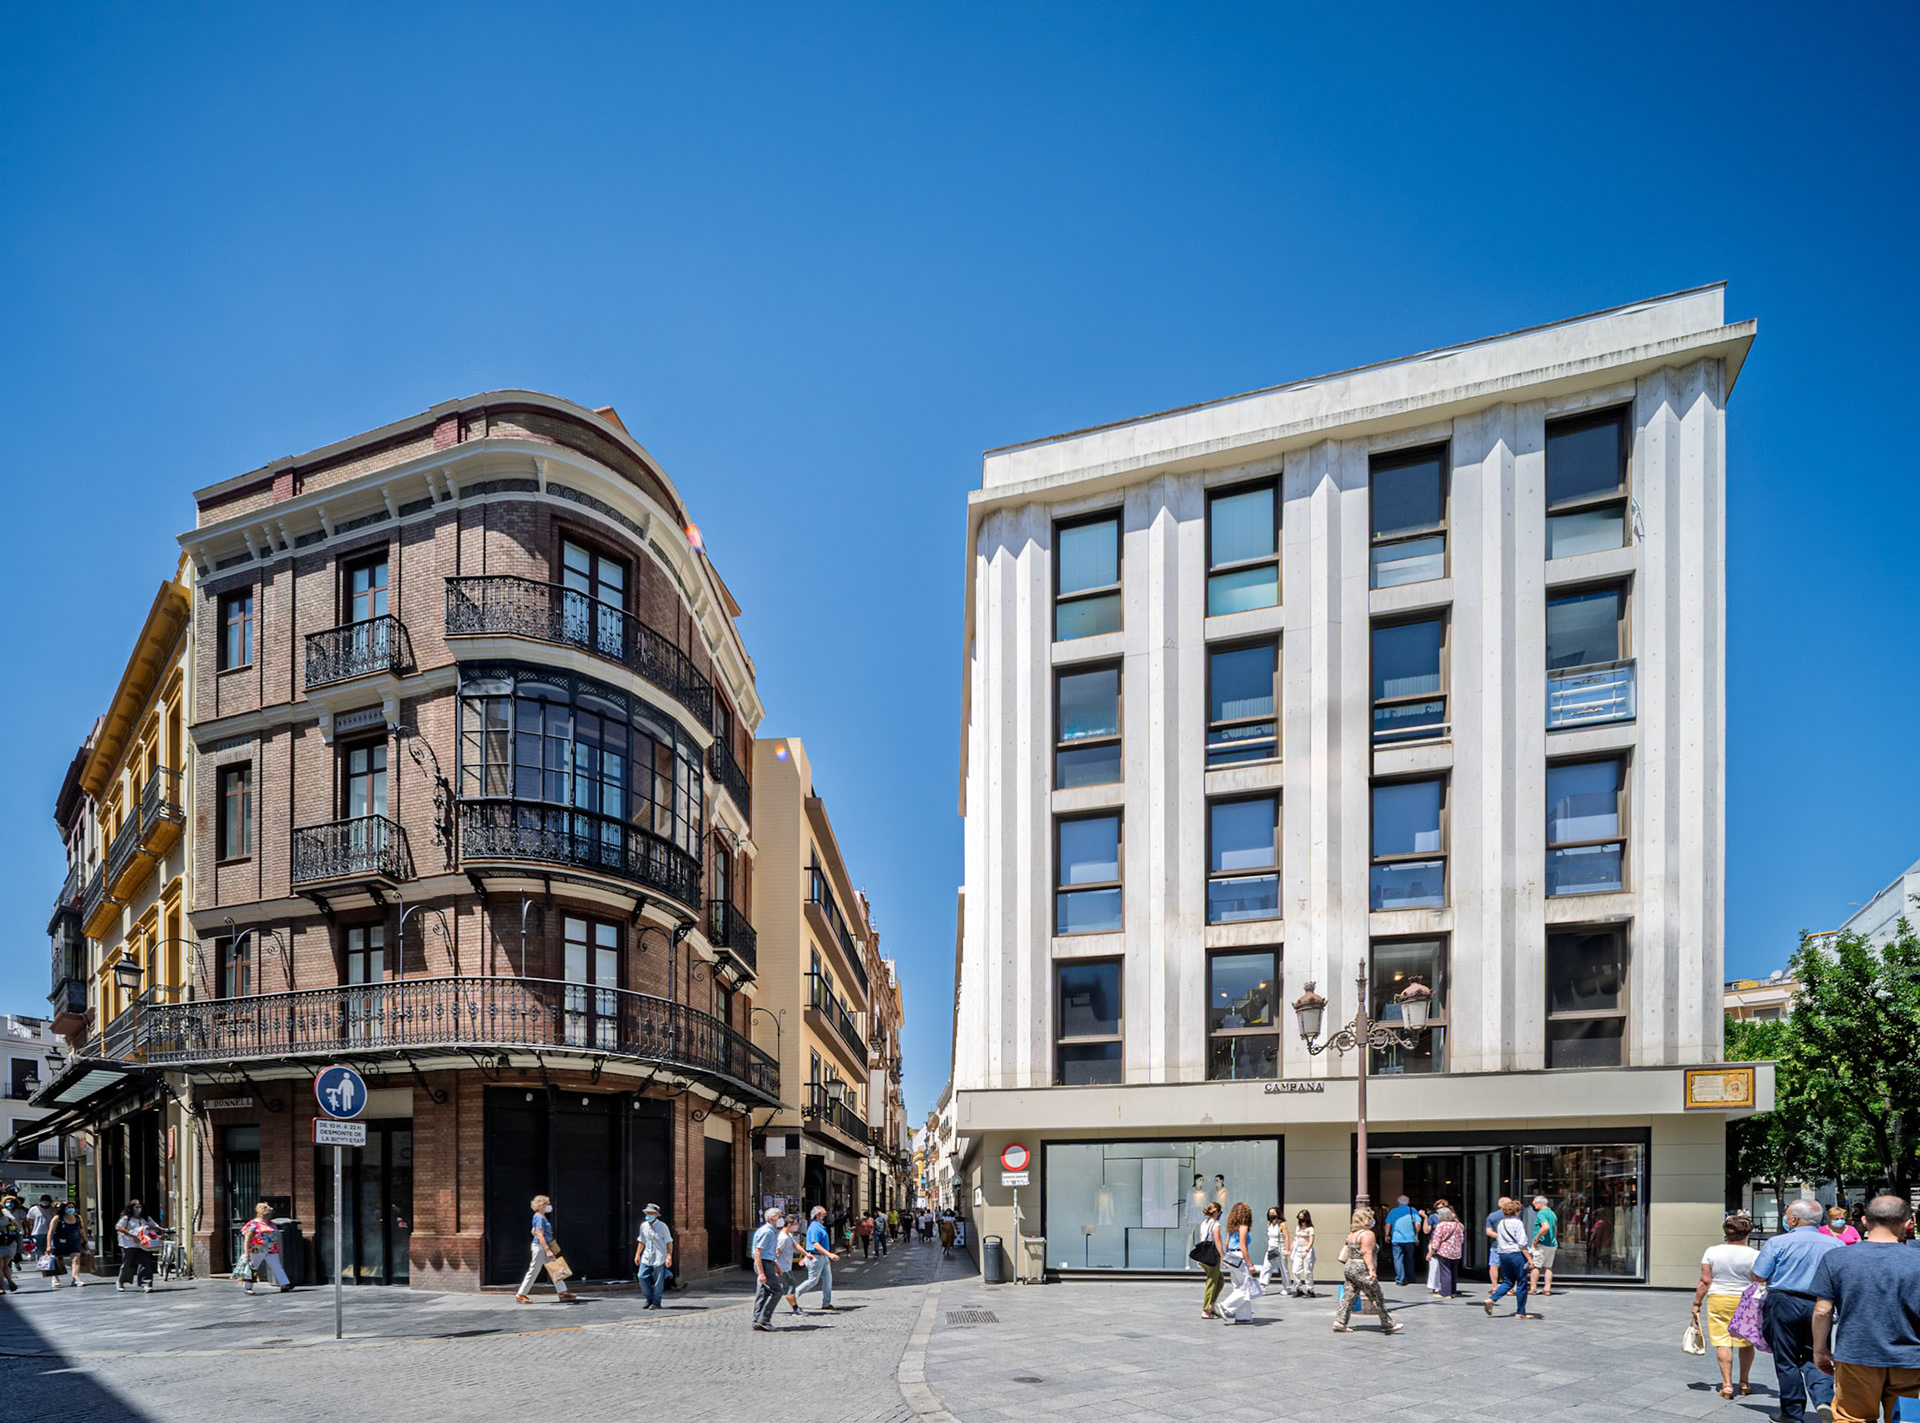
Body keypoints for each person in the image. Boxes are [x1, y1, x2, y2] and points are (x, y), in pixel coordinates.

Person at [1813, 1193, 1920, 1423]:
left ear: (1864, 1221)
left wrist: (1820, 1349)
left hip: (1856, 1355)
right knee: (1907, 1418)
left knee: (1852, 1418)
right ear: (1907, 1224)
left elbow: (1822, 1310)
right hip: (1910, 1360)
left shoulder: (1836, 1258)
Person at [1752, 1197, 1843, 1422]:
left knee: (1786, 1358)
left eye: (1787, 1215)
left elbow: (1759, 1274)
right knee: (1818, 1352)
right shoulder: (1835, 1245)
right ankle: (1823, 1398)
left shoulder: (1777, 1243)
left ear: (1793, 1219)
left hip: (1783, 1302)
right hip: (1821, 1304)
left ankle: (1792, 1413)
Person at [1691, 1211, 1759, 1401]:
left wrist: (1697, 1303)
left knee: (1723, 1341)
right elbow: (1758, 1280)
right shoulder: (1754, 1255)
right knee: (1746, 1341)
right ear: (1747, 1234)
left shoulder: (1712, 1252)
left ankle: (1727, 1385)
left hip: (1718, 1298)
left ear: (1726, 1233)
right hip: (1746, 1299)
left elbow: (1705, 1281)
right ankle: (1744, 1382)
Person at [1333, 1207, 1400, 1334]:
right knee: (1376, 1295)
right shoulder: (1367, 1234)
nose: (1372, 1220)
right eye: (1370, 1218)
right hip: (1361, 1268)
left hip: (1350, 1266)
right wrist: (1371, 1270)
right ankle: (1387, 1323)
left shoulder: (1352, 1234)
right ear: (1366, 1219)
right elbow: (1366, 1252)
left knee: (1349, 1295)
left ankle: (1340, 1322)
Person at [515, 1194, 575, 1304]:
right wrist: (547, 1249)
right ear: (541, 1205)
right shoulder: (539, 1217)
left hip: (542, 1246)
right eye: (547, 1204)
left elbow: (534, 1231)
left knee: (555, 1268)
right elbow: (540, 1235)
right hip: (541, 1248)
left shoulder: (539, 1217)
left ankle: (562, 1292)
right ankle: (521, 1294)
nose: (549, 1206)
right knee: (534, 1270)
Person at [1483, 1198, 1535, 1318]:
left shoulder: (1502, 1223)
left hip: (1503, 1254)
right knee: (1521, 1282)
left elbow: (1499, 1239)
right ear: (1516, 1212)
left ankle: (1492, 1299)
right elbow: (1522, 1242)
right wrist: (1529, 1259)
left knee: (1508, 1281)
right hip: (1516, 1254)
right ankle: (1520, 1311)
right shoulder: (1518, 1223)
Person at [1216, 1202, 1260, 1324]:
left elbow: (1226, 1244)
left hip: (1231, 1257)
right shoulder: (1243, 1226)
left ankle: (1243, 1317)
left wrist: (1226, 1259)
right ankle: (1225, 1306)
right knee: (1245, 1288)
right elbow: (1243, 1246)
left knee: (1238, 1287)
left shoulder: (1232, 1227)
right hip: (1239, 1257)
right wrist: (1250, 1264)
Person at [238, 1203, 293, 1294]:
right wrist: (246, 1253)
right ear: (261, 1213)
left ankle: (284, 1284)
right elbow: (247, 1239)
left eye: (271, 1212)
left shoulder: (272, 1224)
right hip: (257, 1249)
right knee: (253, 1268)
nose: (270, 1214)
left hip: (271, 1248)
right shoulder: (253, 1224)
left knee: (277, 1267)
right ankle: (248, 1287)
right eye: (268, 1212)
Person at [793, 1205, 839, 1311]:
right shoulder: (814, 1227)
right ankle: (793, 1295)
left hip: (823, 1258)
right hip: (816, 1257)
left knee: (828, 1280)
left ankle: (826, 1303)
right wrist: (829, 1254)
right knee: (813, 1280)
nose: (826, 1216)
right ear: (818, 1215)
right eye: (824, 1214)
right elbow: (815, 1244)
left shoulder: (820, 1226)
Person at [750, 1207, 786, 1331]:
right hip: (764, 1264)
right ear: (772, 1219)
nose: (782, 1219)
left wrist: (776, 1265)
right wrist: (761, 1273)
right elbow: (758, 1252)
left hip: (767, 1263)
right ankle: (764, 1319)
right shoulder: (767, 1232)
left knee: (763, 1292)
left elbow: (768, 1252)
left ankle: (757, 1320)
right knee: (777, 1291)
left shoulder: (770, 1231)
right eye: (780, 1217)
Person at [116, 1199, 161, 1293]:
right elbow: (118, 1227)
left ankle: (146, 1283)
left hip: (143, 1244)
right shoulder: (126, 1218)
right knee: (128, 1263)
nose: (139, 1209)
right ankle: (121, 1281)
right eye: (136, 1207)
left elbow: (156, 1227)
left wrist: (151, 1228)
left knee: (144, 1263)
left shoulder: (145, 1218)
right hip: (129, 1244)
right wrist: (132, 1235)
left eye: (140, 1207)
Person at [634, 1203, 673, 1309]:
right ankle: (649, 1298)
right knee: (641, 1276)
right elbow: (641, 1241)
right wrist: (637, 1254)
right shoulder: (643, 1226)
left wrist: (669, 1256)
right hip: (647, 1256)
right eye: (647, 1213)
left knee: (659, 1281)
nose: (648, 1215)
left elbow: (669, 1242)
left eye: (651, 1213)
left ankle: (656, 1302)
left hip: (659, 1257)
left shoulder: (663, 1227)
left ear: (656, 1214)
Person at [41, 1204, 87, 1288]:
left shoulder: (78, 1218)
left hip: (74, 1241)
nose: (71, 1209)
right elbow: (50, 1232)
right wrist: (48, 1245)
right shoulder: (57, 1218)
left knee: (76, 1258)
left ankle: (75, 1278)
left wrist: (85, 1241)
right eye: (68, 1207)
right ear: (64, 1209)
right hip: (59, 1241)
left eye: (72, 1207)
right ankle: (55, 1277)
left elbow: (81, 1230)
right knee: (57, 1260)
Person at [1195, 1201, 1226, 1319]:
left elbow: (1202, 1240)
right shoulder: (1216, 1225)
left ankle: (1211, 1304)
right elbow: (1218, 1243)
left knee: (1219, 1281)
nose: (1220, 1214)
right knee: (1212, 1282)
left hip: (1204, 1256)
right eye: (1220, 1212)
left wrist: (1200, 1258)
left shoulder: (1204, 1223)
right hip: (1213, 1257)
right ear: (1216, 1212)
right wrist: (1224, 1257)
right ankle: (1205, 1309)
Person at [1428, 1205, 1465, 1299]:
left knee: (1445, 1271)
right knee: (1453, 1271)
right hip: (1456, 1251)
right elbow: (1461, 1239)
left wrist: (1431, 1252)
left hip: (1444, 1251)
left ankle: (1445, 1292)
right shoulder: (1456, 1225)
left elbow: (1436, 1240)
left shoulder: (1440, 1226)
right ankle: (1453, 1290)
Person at [1384, 1195, 1421, 1287]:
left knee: (1398, 1259)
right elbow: (1418, 1223)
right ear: (1408, 1202)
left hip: (1397, 1238)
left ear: (1398, 1202)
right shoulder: (1412, 1211)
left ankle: (1400, 1279)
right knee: (1409, 1259)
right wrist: (1416, 1233)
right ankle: (1411, 1277)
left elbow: (1388, 1224)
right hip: (1410, 1238)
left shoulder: (1393, 1211)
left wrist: (1387, 1234)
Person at [1528, 1194, 1560, 1298]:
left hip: (1542, 1244)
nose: (1533, 1206)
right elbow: (1554, 1229)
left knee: (1536, 1266)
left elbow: (1545, 1227)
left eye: (1534, 1204)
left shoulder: (1541, 1214)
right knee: (1548, 1267)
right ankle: (1547, 1289)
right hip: (1552, 1244)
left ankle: (1533, 1288)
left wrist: (1536, 1238)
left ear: (1540, 1204)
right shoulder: (1552, 1213)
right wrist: (1554, 1239)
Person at [1258, 1206, 1290, 1291]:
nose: (1271, 1215)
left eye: (1273, 1213)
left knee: (1283, 1268)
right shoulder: (1269, 1225)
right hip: (1271, 1249)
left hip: (1280, 1248)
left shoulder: (1282, 1224)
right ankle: (1262, 1286)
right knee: (1266, 1267)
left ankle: (1287, 1287)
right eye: (1270, 1214)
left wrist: (1287, 1250)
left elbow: (1286, 1237)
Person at [1288, 1209, 1317, 1297]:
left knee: (1307, 1271)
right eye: (1299, 1217)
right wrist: (1290, 1249)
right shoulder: (1298, 1227)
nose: (1301, 1219)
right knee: (1295, 1270)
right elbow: (1296, 1238)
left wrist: (1306, 1251)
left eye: (1302, 1217)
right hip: (1298, 1249)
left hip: (1306, 1249)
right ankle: (1298, 1288)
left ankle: (1310, 1289)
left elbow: (1311, 1241)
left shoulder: (1310, 1228)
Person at [1485, 1197, 1511, 1289]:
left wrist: (1499, 1237)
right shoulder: (1514, 1215)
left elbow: (1488, 1232)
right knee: (1509, 1265)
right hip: (1510, 1245)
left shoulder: (1492, 1216)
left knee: (1494, 1264)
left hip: (1496, 1244)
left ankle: (1495, 1286)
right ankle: (1508, 1286)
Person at [0, 1195, 22, 1293]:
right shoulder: (5, 1212)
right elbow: (17, 1225)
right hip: (9, 1242)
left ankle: (1, 1287)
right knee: (6, 1265)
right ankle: (9, 1280)